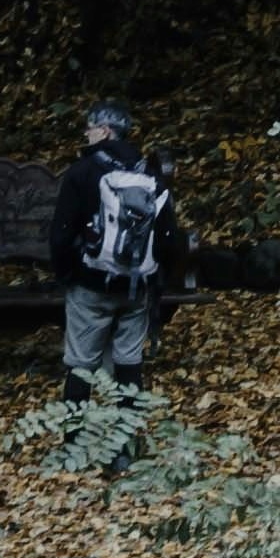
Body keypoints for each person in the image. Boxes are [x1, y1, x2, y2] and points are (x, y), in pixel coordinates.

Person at [46, 106, 175, 403]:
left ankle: (74, 443)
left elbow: (61, 235)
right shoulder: (149, 174)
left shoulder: (82, 172)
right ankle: (124, 444)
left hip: (90, 284)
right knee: (129, 362)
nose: (86, 134)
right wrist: (155, 280)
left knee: (81, 363)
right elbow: (168, 235)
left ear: (104, 131)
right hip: (137, 286)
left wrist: (67, 276)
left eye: (89, 128)